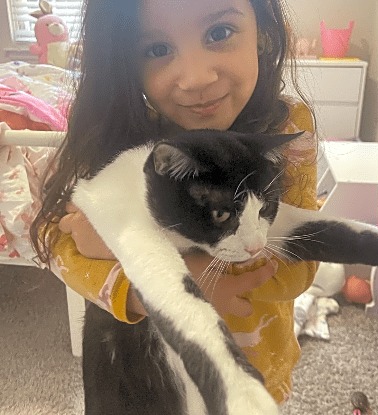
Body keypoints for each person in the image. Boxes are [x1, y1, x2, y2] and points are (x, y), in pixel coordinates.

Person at [30, 0, 318, 406]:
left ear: (263, 30)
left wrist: (131, 249)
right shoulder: (113, 128)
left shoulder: (287, 127)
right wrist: (142, 292)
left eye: (219, 33)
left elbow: (300, 265)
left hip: (253, 369)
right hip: (141, 384)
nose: (196, 78)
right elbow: (55, 239)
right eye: (157, 49)